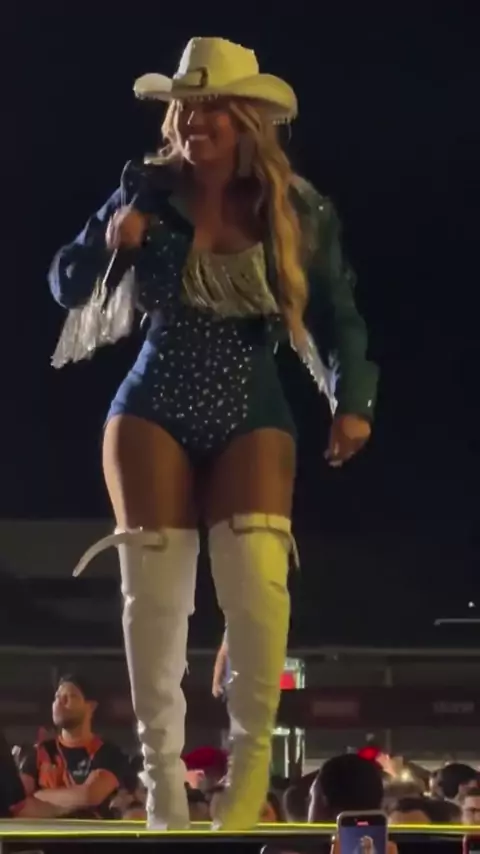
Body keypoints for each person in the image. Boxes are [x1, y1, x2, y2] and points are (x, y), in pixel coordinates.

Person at [48, 36, 378, 830]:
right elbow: (64, 281)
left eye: (212, 110)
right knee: (156, 599)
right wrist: (109, 240)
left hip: (251, 407)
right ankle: (163, 786)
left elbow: (338, 312)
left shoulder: (297, 207)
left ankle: (245, 783)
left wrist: (353, 399)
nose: (195, 122)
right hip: (151, 402)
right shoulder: (144, 189)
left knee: (258, 588)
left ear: (247, 120)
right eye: (185, 109)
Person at [18, 675, 128, 818]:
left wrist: (38, 796)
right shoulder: (38, 752)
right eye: (57, 697)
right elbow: (20, 804)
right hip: (46, 833)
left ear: (91, 706)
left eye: (70, 696)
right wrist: (73, 802)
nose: (59, 702)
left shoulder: (108, 752)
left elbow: (89, 795)